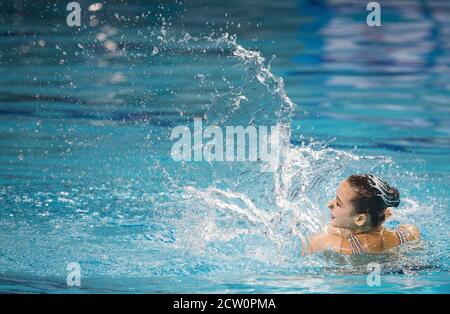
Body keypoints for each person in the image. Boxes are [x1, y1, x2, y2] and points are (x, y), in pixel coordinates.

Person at [306, 174, 420, 254]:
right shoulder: (409, 233)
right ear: (386, 213)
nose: (330, 204)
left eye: (338, 203)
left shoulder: (330, 243)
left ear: (360, 219)